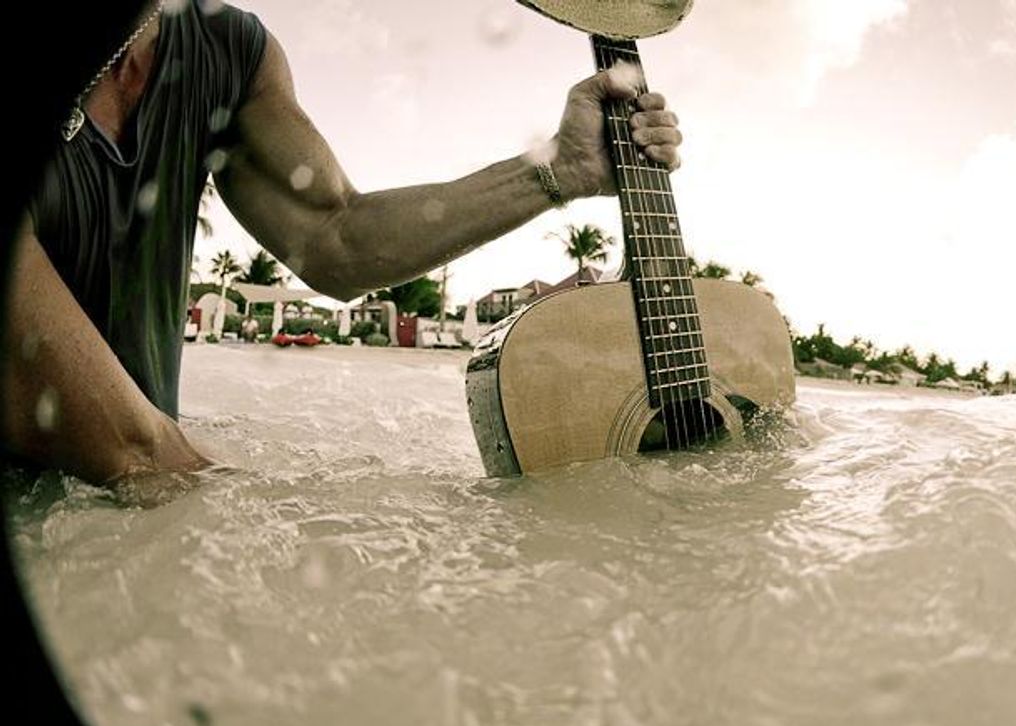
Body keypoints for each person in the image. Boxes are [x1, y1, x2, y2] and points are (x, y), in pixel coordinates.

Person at [0, 0, 683, 491]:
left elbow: (336, 238)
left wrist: (557, 169)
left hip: (143, 504)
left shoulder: (224, 49)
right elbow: (129, 446)